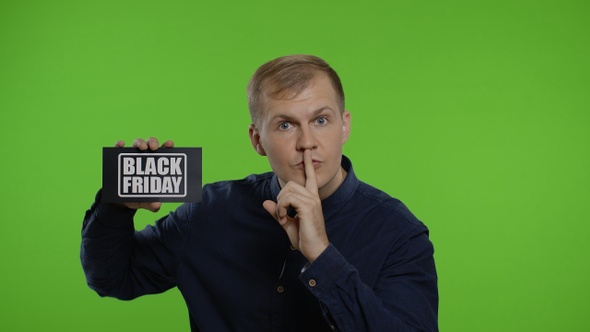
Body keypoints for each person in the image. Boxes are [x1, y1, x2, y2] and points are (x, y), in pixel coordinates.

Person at [81, 54, 438, 331]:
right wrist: (118, 204)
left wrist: (322, 256)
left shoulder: (399, 234)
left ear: (344, 126)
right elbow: (111, 277)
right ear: (257, 140)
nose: (307, 143)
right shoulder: (208, 214)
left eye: (320, 120)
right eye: (285, 125)